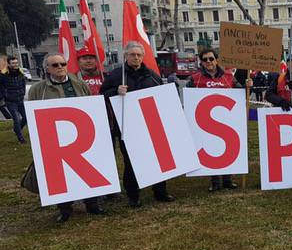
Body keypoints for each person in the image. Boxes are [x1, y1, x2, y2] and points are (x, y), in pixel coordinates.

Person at [27, 53, 106, 222]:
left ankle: (92, 203)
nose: (60, 67)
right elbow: (32, 116)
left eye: (62, 63)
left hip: (81, 136)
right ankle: (64, 208)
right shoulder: (38, 90)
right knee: (59, 175)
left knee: (87, 170)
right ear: (47, 69)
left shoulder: (79, 85)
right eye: (55, 65)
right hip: (54, 138)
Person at [100, 41, 175, 207]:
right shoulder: (115, 75)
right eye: (132, 54)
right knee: (130, 162)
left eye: (139, 55)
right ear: (126, 56)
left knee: (157, 158)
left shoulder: (152, 76)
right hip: (127, 127)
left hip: (151, 126)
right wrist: (115, 91)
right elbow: (102, 94)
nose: (136, 57)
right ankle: (133, 196)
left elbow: (162, 97)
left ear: (143, 56)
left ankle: (160, 191)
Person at [187, 48, 250, 192]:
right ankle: (215, 181)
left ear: (216, 60)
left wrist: (248, 87)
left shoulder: (228, 77)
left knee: (226, 147)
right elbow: (189, 99)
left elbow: (241, 94)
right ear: (201, 62)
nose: (208, 62)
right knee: (210, 147)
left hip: (226, 119)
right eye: (205, 59)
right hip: (205, 121)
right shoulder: (195, 79)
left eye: (211, 59)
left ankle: (228, 179)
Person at [0, 56, 28, 143]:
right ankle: (21, 139)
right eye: (13, 63)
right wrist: (4, 97)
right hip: (10, 101)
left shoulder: (21, 72)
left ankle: (16, 130)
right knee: (16, 119)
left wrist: (23, 93)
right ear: (9, 64)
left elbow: (23, 83)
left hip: (20, 99)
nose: (15, 64)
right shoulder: (3, 75)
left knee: (25, 117)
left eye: (16, 63)